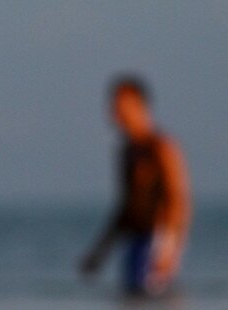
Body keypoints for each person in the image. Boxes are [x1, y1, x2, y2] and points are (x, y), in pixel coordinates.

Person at [80, 75, 191, 296]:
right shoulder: (126, 152)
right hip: (133, 241)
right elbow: (125, 208)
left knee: (150, 302)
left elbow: (178, 200)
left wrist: (169, 250)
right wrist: (100, 252)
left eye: (121, 105)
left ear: (139, 105)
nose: (116, 112)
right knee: (130, 304)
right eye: (114, 106)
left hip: (157, 241)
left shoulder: (161, 148)